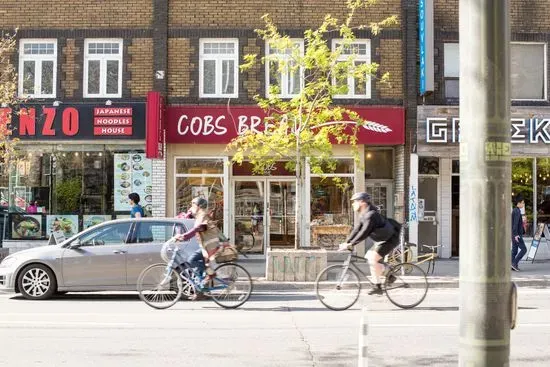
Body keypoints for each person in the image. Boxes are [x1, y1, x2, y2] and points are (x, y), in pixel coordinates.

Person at [339, 192, 401, 295]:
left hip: (390, 239)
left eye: (355, 201)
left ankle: (380, 283)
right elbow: (356, 230)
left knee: (373, 259)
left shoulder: (371, 215)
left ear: (362, 202)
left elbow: (364, 232)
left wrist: (351, 244)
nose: (353, 204)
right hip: (381, 240)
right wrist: (346, 242)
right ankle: (384, 279)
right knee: (370, 258)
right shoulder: (363, 214)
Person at [176, 197, 220, 287]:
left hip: (210, 245)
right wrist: (188, 214)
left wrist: (185, 236)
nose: (191, 207)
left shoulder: (203, 215)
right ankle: (201, 290)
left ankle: (211, 273)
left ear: (199, 206)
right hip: (205, 245)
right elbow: (183, 217)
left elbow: (198, 228)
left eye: (193, 204)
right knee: (198, 270)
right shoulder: (199, 215)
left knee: (191, 260)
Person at [512, 194, 527, 271]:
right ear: (519, 203)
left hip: (514, 234)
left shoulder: (515, 210)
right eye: (523, 203)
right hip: (517, 235)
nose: (523, 204)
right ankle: (514, 263)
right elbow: (515, 224)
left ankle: (512, 264)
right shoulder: (517, 211)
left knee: (514, 250)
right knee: (524, 249)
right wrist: (516, 235)